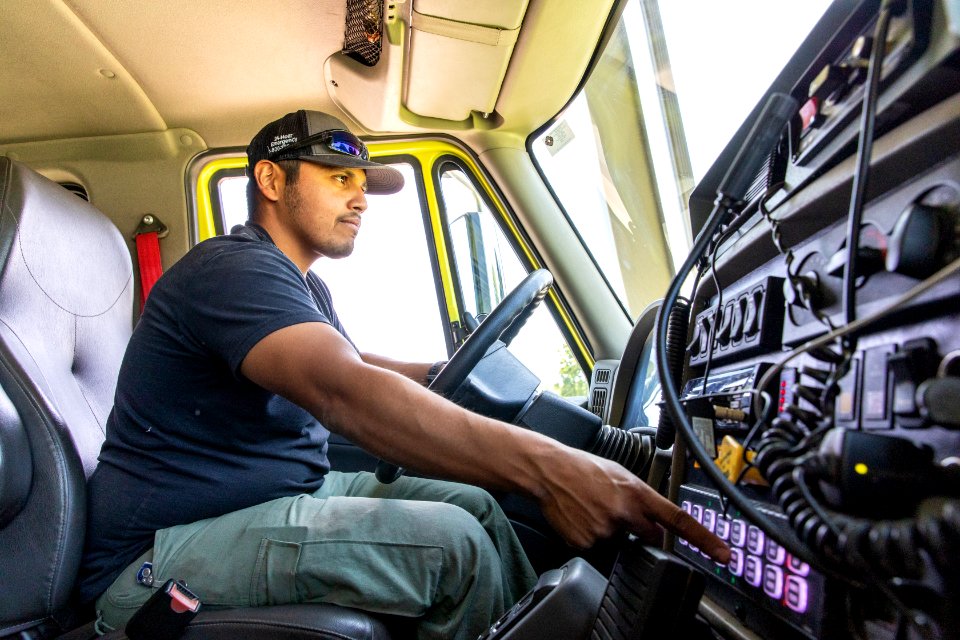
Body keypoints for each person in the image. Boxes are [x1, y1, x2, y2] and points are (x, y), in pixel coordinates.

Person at [79, 109, 729, 639]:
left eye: (362, 182)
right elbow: (344, 391)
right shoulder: (231, 269)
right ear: (272, 181)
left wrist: (448, 370)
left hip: (266, 505)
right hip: (156, 557)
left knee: (474, 505)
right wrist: (551, 467)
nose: (360, 195)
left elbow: (356, 364)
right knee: (453, 547)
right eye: (337, 176)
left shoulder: (300, 289)